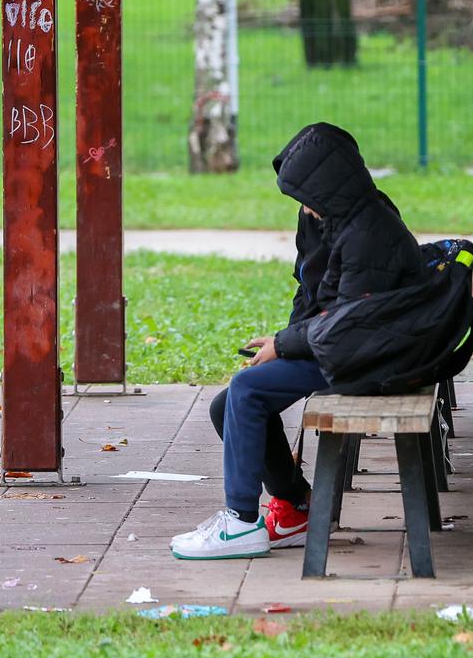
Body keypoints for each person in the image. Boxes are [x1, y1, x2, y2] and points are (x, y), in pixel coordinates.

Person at [170, 122, 426, 560]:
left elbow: (347, 322)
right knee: (227, 403)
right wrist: (282, 340)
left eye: (310, 198)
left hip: (377, 357)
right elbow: (310, 292)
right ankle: (295, 507)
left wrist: (287, 345)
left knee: (247, 391)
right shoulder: (327, 217)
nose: (305, 209)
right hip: (347, 345)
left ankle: (239, 524)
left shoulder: (370, 231)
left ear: (332, 187)